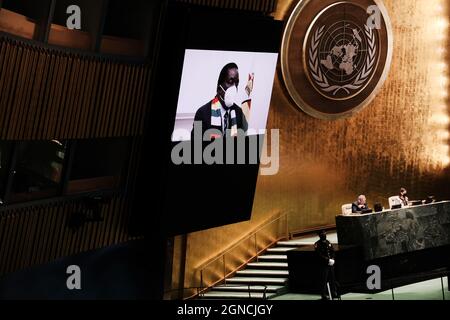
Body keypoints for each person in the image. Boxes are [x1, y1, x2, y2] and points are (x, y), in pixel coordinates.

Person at [191, 63, 251, 139]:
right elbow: (196, 146)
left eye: (236, 83)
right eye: (230, 81)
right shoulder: (202, 113)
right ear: (219, 87)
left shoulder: (239, 113)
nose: (234, 88)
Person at [314, 230, 338, 300]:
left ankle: (334, 293)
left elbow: (332, 251)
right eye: (323, 234)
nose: (324, 235)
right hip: (323, 265)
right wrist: (327, 260)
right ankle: (323, 295)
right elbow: (319, 255)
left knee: (332, 279)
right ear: (320, 235)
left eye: (325, 233)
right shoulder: (317, 244)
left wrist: (332, 258)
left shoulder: (328, 242)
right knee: (324, 280)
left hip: (330, 264)